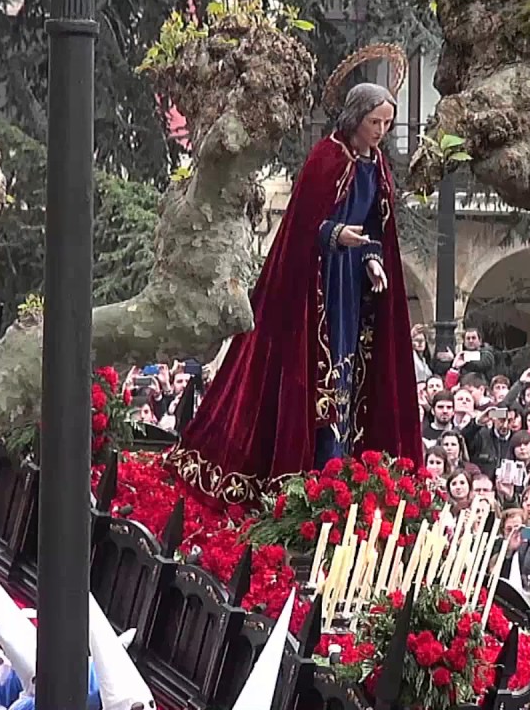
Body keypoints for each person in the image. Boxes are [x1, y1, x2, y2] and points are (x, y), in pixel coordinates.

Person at [173, 48, 422, 507]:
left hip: (353, 286)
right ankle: (304, 481)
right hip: (318, 287)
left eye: (387, 125)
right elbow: (304, 227)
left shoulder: (377, 166)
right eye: (375, 124)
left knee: (349, 380)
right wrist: (335, 235)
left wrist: (371, 259)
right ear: (356, 119)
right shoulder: (325, 158)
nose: (381, 133)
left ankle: (337, 477)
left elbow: (376, 229)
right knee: (319, 380)